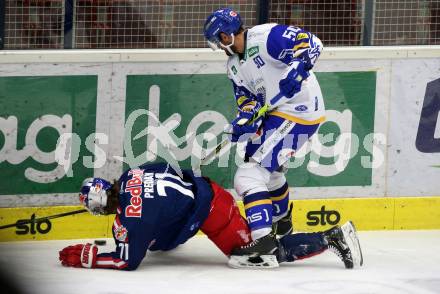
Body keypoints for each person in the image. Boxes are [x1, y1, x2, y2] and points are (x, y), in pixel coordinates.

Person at [58, 162, 362, 270]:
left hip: (214, 214)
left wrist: (89, 257)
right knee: (158, 242)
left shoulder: (130, 220)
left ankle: (331, 237)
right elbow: (168, 169)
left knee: (257, 256)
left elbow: (127, 261)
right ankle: (276, 221)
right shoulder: (132, 173)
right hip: (207, 190)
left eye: (96, 208)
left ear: (100, 204)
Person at [203, 8, 326, 255]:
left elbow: (312, 43)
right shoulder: (233, 67)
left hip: (300, 110)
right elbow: (248, 101)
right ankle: (282, 221)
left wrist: (299, 68)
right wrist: (244, 120)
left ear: (226, 35)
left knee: (248, 176)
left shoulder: (265, 36)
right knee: (265, 170)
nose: (217, 45)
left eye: (218, 39)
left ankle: (263, 241)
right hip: (278, 112)